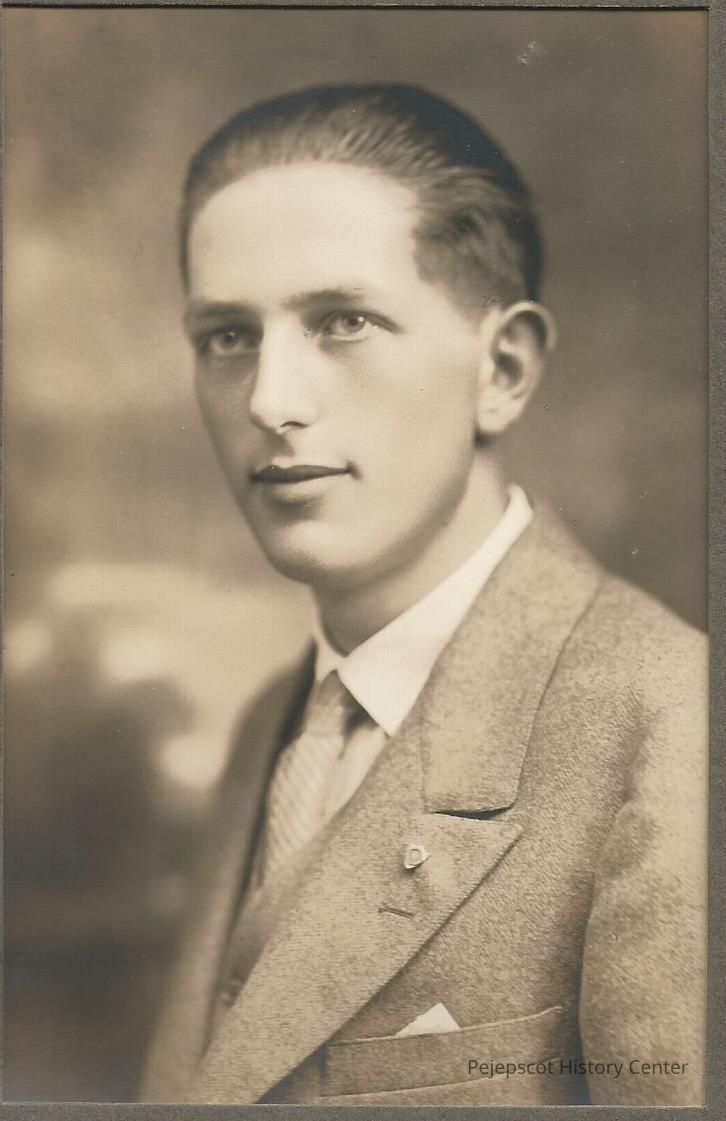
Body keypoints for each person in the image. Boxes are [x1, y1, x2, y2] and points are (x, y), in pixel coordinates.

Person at [141, 84, 707, 1107]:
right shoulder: (273, 725)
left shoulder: (672, 723)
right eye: (227, 336)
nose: (271, 399)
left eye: (343, 322)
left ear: (503, 368)